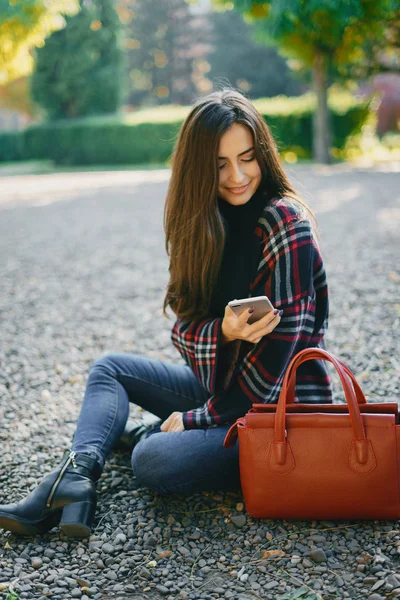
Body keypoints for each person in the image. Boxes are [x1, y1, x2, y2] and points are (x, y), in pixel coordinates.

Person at [0, 88, 333, 538]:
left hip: (277, 414)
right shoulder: (201, 224)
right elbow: (185, 327)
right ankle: (75, 478)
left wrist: (193, 419)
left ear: (264, 156)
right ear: (198, 168)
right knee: (109, 369)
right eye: (219, 164)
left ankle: (139, 435)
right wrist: (226, 333)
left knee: (153, 459)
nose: (237, 175)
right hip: (221, 386)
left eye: (247, 158)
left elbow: (273, 370)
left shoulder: (285, 224)